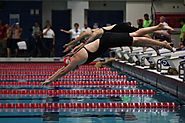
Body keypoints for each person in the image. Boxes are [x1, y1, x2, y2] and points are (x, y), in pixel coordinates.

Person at [41, 23, 174, 85]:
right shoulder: (76, 57)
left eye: (69, 65)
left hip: (107, 39)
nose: (72, 69)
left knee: (136, 40)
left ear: (70, 61)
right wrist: (50, 78)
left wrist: (50, 80)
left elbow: (63, 72)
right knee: (136, 36)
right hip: (107, 40)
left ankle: (162, 41)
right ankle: (160, 30)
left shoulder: (76, 59)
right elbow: (62, 70)